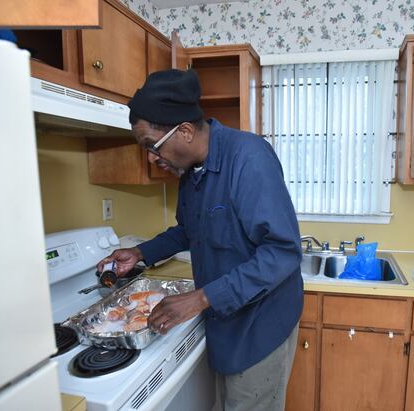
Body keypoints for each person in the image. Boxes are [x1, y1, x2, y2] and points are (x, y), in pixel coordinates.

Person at [96, 69, 303, 411]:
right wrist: (140, 252)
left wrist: (202, 298)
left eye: (151, 146)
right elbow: (188, 230)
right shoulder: (190, 171)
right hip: (225, 317)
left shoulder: (249, 159)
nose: (150, 157)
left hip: (260, 323)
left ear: (186, 132)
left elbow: (282, 253)